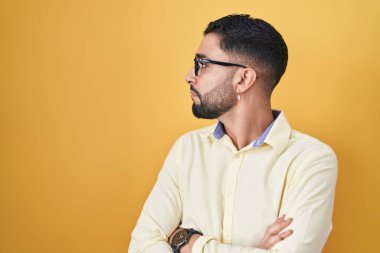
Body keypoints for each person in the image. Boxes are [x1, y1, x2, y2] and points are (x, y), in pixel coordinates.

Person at [128, 14, 338, 253]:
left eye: (203, 64)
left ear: (244, 79)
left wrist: (189, 242)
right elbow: (140, 247)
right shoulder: (187, 149)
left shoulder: (311, 160)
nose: (189, 75)